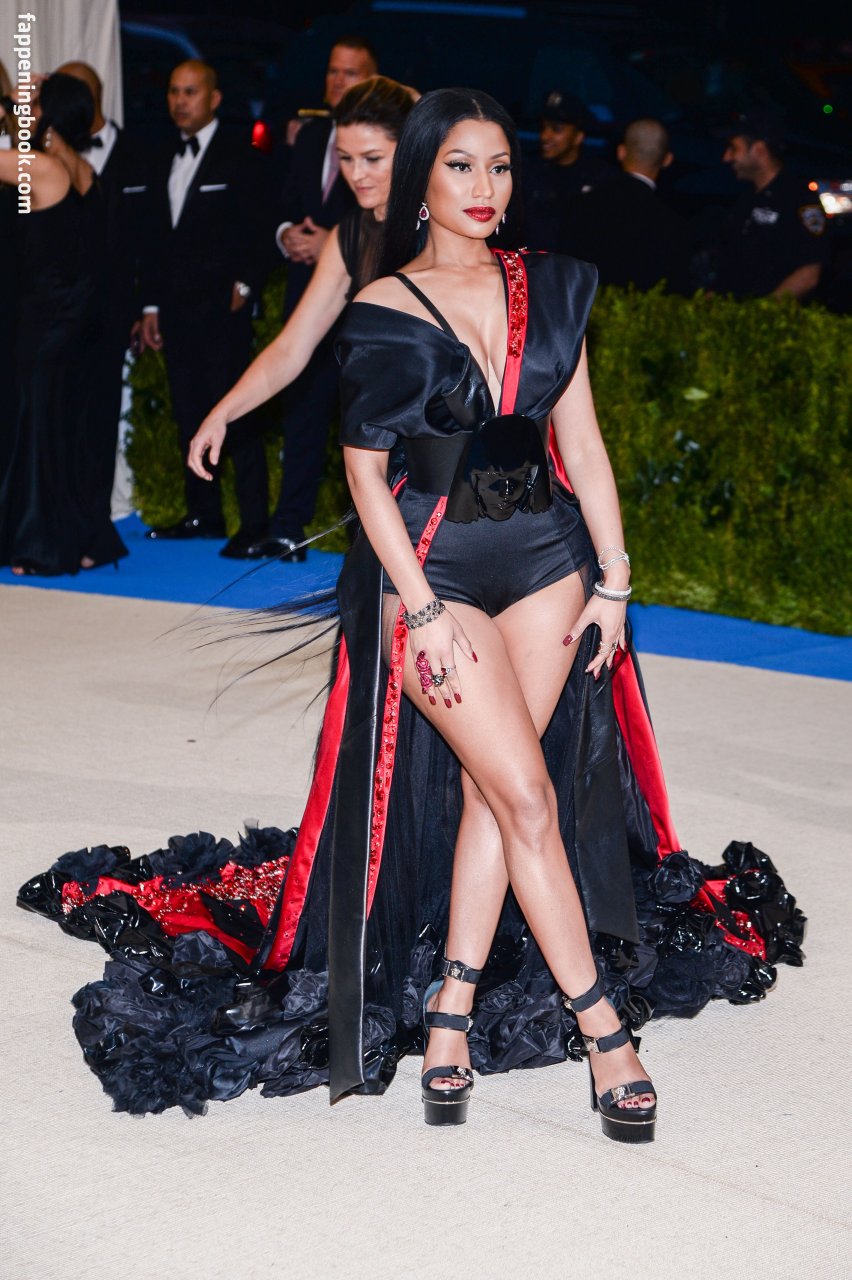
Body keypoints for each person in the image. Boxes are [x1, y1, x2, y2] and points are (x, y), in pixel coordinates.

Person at [17, 90, 805, 1127]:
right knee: (528, 796)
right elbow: (363, 472)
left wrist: (615, 580)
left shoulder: (553, 286)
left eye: (501, 167)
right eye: (462, 167)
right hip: (436, 568)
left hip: (551, 561)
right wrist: (422, 611)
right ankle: (602, 1027)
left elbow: (584, 443)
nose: (485, 188)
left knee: (496, 793)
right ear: (425, 182)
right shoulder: (384, 304)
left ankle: (452, 1007)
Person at [188, 77, 416, 495]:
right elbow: (292, 347)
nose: (356, 174)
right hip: (377, 432)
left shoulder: (444, 228)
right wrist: (222, 413)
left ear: (409, 150)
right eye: (345, 158)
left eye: (372, 158)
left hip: (445, 435)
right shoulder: (350, 235)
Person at [140, 60, 273, 558]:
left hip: (223, 306)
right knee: (188, 409)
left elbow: (260, 224)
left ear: (214, 98)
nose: (180, 100)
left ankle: (255, 522)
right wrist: (151, 304)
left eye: (190, 91)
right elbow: (156, 238)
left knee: (238, 411)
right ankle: (204, 513)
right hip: (176, 308)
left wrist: (248, 281)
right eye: (174, 91)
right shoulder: (162, 153)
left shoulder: (240, 154)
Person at [0, 73, 128, 574]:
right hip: (74, 318)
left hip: (47, 319)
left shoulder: (42, 167)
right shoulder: (81, 167)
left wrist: (11, 103)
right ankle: (81, 538)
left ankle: (41, 545)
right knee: (63, 430)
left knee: (38, 429)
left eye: (31, 108)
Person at [260, 36, 379, 562]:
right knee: (301, 416)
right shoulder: (309, 135)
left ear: (373, 81)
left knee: (365, 428)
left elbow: (385, 216)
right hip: (305, 294)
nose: (337, 81)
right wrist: (286, 232)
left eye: (350, 73)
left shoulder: (392, 145)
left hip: (363, 305)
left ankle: (371, 542)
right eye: (333, 71)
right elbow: (281, 200)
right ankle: (288, 527)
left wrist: (330, 240)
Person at [56, 61, 149, 547]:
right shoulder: (42, 158)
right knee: (59, 420)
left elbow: (151, 237)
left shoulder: (134, 152)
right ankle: (64, 522)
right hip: (57, 311)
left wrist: (144, 306)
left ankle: (92, 525)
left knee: (96, 421)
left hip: (107, 312)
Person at [564, 118, 693, 293]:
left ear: (621, 152)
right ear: (667, 160)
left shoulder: (582, 205)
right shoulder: (672, 223)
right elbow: (677, 288)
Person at [713, 108, 828, 299]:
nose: (726, 157)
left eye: (733, 148)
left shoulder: (798, 199)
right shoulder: (746, 198)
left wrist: (764, 310)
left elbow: (809, 274)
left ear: (758, 150)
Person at [524, 89, 614, 253]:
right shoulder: (529, 171)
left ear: (578, 137)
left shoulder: (599, 178)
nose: (545, 136)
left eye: (556, 129)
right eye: (543, 128)